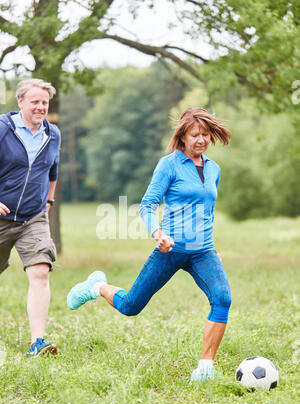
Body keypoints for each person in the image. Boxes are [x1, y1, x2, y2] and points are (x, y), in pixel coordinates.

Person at [67, 107, 232, 382]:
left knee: (222, 299)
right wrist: (158, 233)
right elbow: (148, 204)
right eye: (195, 135)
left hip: (203, 251)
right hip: (170, 248)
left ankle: (205, 369)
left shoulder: (214, 169)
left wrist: (209, 245)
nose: (201, 140)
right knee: (131, 305)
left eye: (205, 134)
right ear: (182, 137)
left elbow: (207, 210)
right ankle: (95, 286)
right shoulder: (169, 165)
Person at [0, 78, 61, 357]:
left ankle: (37, 342)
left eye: (44, 103)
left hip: (32, 218)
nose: (40, 107)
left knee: (40, 270)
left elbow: (53, 171)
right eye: (35, 101)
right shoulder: (3, 129)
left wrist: (48, 201)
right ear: (21, 102)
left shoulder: (53, 134)